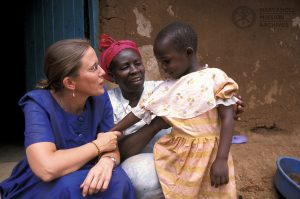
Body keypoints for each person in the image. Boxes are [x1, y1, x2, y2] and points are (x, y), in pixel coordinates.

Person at [99, 30, 244, 198]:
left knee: (213, 189)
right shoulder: (165, 89)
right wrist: (111, 132)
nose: (164, 68)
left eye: (137, 63)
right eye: (125, 67)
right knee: (183, 190)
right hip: (177, 155)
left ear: (188, 53)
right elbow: (140, 112)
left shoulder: (212, 77)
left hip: (207, 152)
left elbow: (227, 116)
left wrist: (221, 159)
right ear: (113, 76)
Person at [0, 39, 136, 199]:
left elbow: (110, 142)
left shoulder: (100, 97)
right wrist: (99, 146)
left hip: (88, 167)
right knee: (71, 187)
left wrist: (107, 161)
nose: (102, 72)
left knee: (118, 180)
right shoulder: (37, 104)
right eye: (93, 68)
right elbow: (47, 168)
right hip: (46, 179)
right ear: (70, 83)